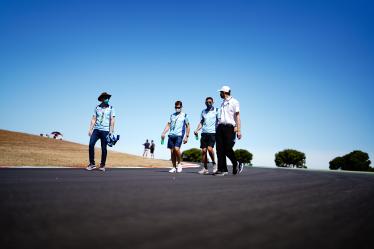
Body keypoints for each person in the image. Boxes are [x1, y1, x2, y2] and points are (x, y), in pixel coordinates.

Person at [215, 86, 243, 176]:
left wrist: (239, 130)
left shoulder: (235, 102)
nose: (220, 94)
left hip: (230, 128)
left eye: (221, 92)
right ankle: (222, 169)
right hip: (220, 127)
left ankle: (236, 163)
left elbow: (238, 116)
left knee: (227, 148)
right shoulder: (222, 103)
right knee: (219, 149)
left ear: (225, 92)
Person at [86, 92, 116, 172]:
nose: (107, 99)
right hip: (96, 130)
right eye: (105, 98)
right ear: (102, 99)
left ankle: (102, 165)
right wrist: (90, 129)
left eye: (108, 98)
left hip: (105, 131)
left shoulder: (111, 108)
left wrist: (111, 131)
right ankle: (92, 164)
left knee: (104, 148)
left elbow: (112, 119)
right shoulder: (97, 108)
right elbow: (94, 118)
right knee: (91, 144)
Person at [161, 100, 190, 173]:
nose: (177, 108)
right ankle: (174, 167)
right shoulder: (172, 115)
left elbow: (188, 126)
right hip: (171, 135)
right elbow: (168, 125)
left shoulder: (185, 115)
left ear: (181, 107)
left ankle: (179, 164)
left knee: (177, 149)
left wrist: (187, 136)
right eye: (176, 107)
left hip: (179, 135)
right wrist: (163, 133)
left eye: (179, 107)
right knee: (172, 151)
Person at [194, 97, 218, 174]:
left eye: (210, 102)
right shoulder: (203, 111)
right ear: (205, 103)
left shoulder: (216, 110)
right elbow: (201, 122)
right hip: (204, 133)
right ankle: (205, 168)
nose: (208, 103)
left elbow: (219, 121)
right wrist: (197, 129)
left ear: (213, 102)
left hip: (213, 133)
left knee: (210, 149)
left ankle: (214, 163)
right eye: (207, 102)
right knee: (204, 151)